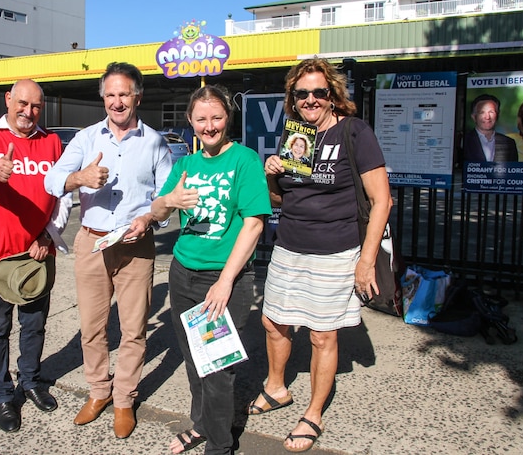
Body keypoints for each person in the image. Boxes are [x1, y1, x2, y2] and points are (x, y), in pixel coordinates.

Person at [257, 58, 392, 453]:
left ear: (332, 95)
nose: (311, 99)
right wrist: (271, 174)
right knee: (273, 321)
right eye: (302, 94)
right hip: (288, 247)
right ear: (293, 99)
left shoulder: (354, 132)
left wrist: (366, 261)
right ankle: (276, 387)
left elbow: (381, 201)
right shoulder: (294, 134)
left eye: (319, 92)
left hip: (335, 251)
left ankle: (313, 414)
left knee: (321, 335)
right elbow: (281, 198)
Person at [44, 62, 172, 439]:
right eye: (111, 94)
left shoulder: (155, 142)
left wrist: (149, 219)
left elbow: (166, 197)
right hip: (92, 242)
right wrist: (79, 178)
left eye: (124, 94)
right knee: (92, 328)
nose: (117, 102)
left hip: (136, 245)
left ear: (138, 96)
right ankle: (99, 391)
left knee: (133, 330)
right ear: (103, 97)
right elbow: (52, 180)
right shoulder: (85, 139)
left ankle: (123, 399)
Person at [151, 85, 271, 455]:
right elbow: (157, 212)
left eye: (216, 117)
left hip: (225, 280)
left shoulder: (244, 161)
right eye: (201, 119)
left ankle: (220, 446)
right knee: (192, 359)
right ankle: (201, 425)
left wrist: (224, 282)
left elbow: (254, 224)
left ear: (227, 119)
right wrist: (169, 200)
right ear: (190, 121)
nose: (209, 126)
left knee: (217, 368)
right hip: (183, 273)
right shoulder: (186, 165)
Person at [0, 79, 67, 433]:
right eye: (22, 103)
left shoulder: (51, 141)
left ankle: (31, 380)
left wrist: (47, 234)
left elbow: (62, 195)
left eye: (36, 106)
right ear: (8, 99)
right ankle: (2, 394)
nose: (28, 112)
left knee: (34, 324)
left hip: (37, 251)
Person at [463, 94, 517, 162]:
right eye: (482, 112)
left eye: (491, 112)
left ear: (498, 115)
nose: (487, 117)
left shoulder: (509, 143)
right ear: (474, 117)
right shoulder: (464, 141)